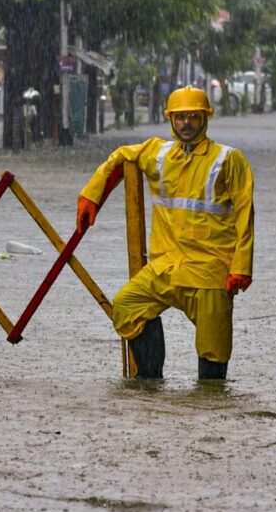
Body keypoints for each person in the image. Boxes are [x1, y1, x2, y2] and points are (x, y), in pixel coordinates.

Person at [76, 86, 255, 380]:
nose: (186, 123)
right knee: (128, 305)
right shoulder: (158, 153)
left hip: (210, 273)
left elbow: (245, 215)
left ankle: (210, 399)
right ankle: (149, 386)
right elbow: (119, 157)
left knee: (213, 351)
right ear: (170, 119)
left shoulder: (228, 159)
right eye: (180, 117)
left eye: (193, 117)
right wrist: (91, 195)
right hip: (166, 267)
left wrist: (241, 267)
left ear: (205, 118)